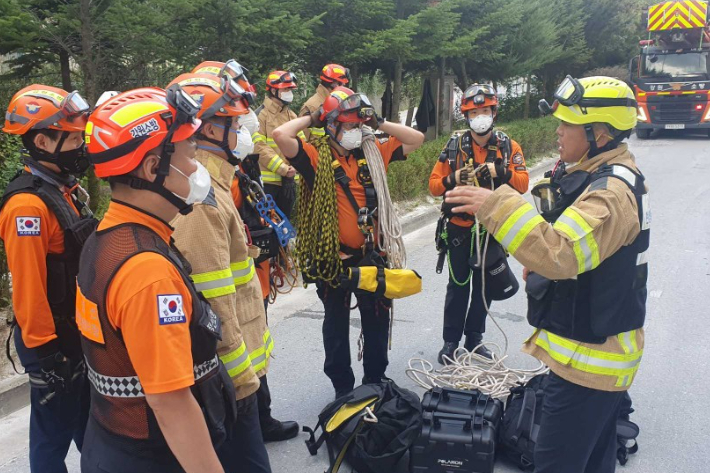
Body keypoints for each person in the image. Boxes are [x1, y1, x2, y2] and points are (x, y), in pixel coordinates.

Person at [444, 76, 648, 473]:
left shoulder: (609, 193)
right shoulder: (600, 173)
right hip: (589, 359)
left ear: (599, 132)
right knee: (592, 462)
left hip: (588, 370)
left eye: (567, 124)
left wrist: (494, 204)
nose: (557, 131)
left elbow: (561, 254)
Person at [77, 86, 236, 473]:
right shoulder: (148, 273)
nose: (197, 170)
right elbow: (171, 403)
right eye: (191, 157)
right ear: (153, 169)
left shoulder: (110, 235)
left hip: (113, 442)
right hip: (155, 455)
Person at [168, 71, 294, 456]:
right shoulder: (202, 199)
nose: (244, 131)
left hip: (243, 369)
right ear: (205, 129)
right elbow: (214, 302)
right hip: (234, 380)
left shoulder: (218, 180)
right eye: (235, 123)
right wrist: (241, 384)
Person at [273, 86, 424, 399]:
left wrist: (378, 122)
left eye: (359, 126)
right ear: (331, 126)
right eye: (349, 126)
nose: (356, 132)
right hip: (335, 260)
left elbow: (415, 139)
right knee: (336, 326)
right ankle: (343, 387)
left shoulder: (374, 151)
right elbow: (281, 135)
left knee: (377, 319)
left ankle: (375, 378)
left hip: (373, 255)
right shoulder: (316, 157)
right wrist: (313, 117)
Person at [0, 85, 94, 472]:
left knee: (91, 429)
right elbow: (28, 287)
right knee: (51, 438)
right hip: (53, 343)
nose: (80, 145)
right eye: (73, 138)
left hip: (74, 333)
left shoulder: (62, 189)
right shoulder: (27, 205)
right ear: (42, 141)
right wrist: (46, 356)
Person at [429, 84, 528, 363]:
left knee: (484, 286)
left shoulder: (508, 147)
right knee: (458, 285)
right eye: (474, 112)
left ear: (493, 113)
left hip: (490, 229)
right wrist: (455, 178)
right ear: (467, 116)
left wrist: (501, 171)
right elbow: (434, 185)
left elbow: (523, 184)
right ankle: (451, 341)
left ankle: (475, 339)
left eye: (485, 111)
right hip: (460, 227)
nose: (480, 116)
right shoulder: (454, 147)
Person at [253, 70, 300, 218]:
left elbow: (302, 144)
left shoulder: (291, 115)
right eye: (285, 89)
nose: (289, 93)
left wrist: (296, 169)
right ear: (273, 90)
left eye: (290, 89)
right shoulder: (260, 115)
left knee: (284, 227)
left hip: (289, 183)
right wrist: (284, 169)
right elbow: (259, 147)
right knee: (268, 226)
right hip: (267, 185)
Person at [299, 63, 350, 142]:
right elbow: (304, 142)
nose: (344, 87)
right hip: (318, 153)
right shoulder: (312, 106)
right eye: (342, 84)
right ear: (334, 84)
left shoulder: (337, 101)